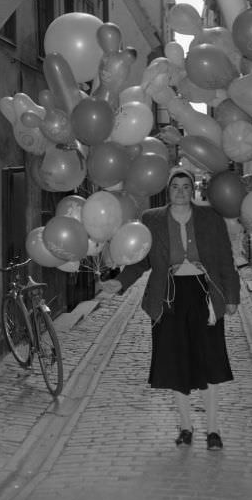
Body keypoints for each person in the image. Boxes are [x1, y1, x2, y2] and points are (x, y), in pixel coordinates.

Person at [99, 167, 240, 450]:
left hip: (205, 294)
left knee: (210, 361)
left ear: (193, 189)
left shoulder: (211, 219)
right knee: (176, 362)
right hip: (168, 297)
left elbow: (226, 259)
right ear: (168, 190)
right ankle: (186, 427)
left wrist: (232, 296)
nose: (180, 191)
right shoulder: (151, 220)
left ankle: (213, 431)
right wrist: (120, 282)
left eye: (185, 186)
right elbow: (141, 260)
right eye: (175, 186)